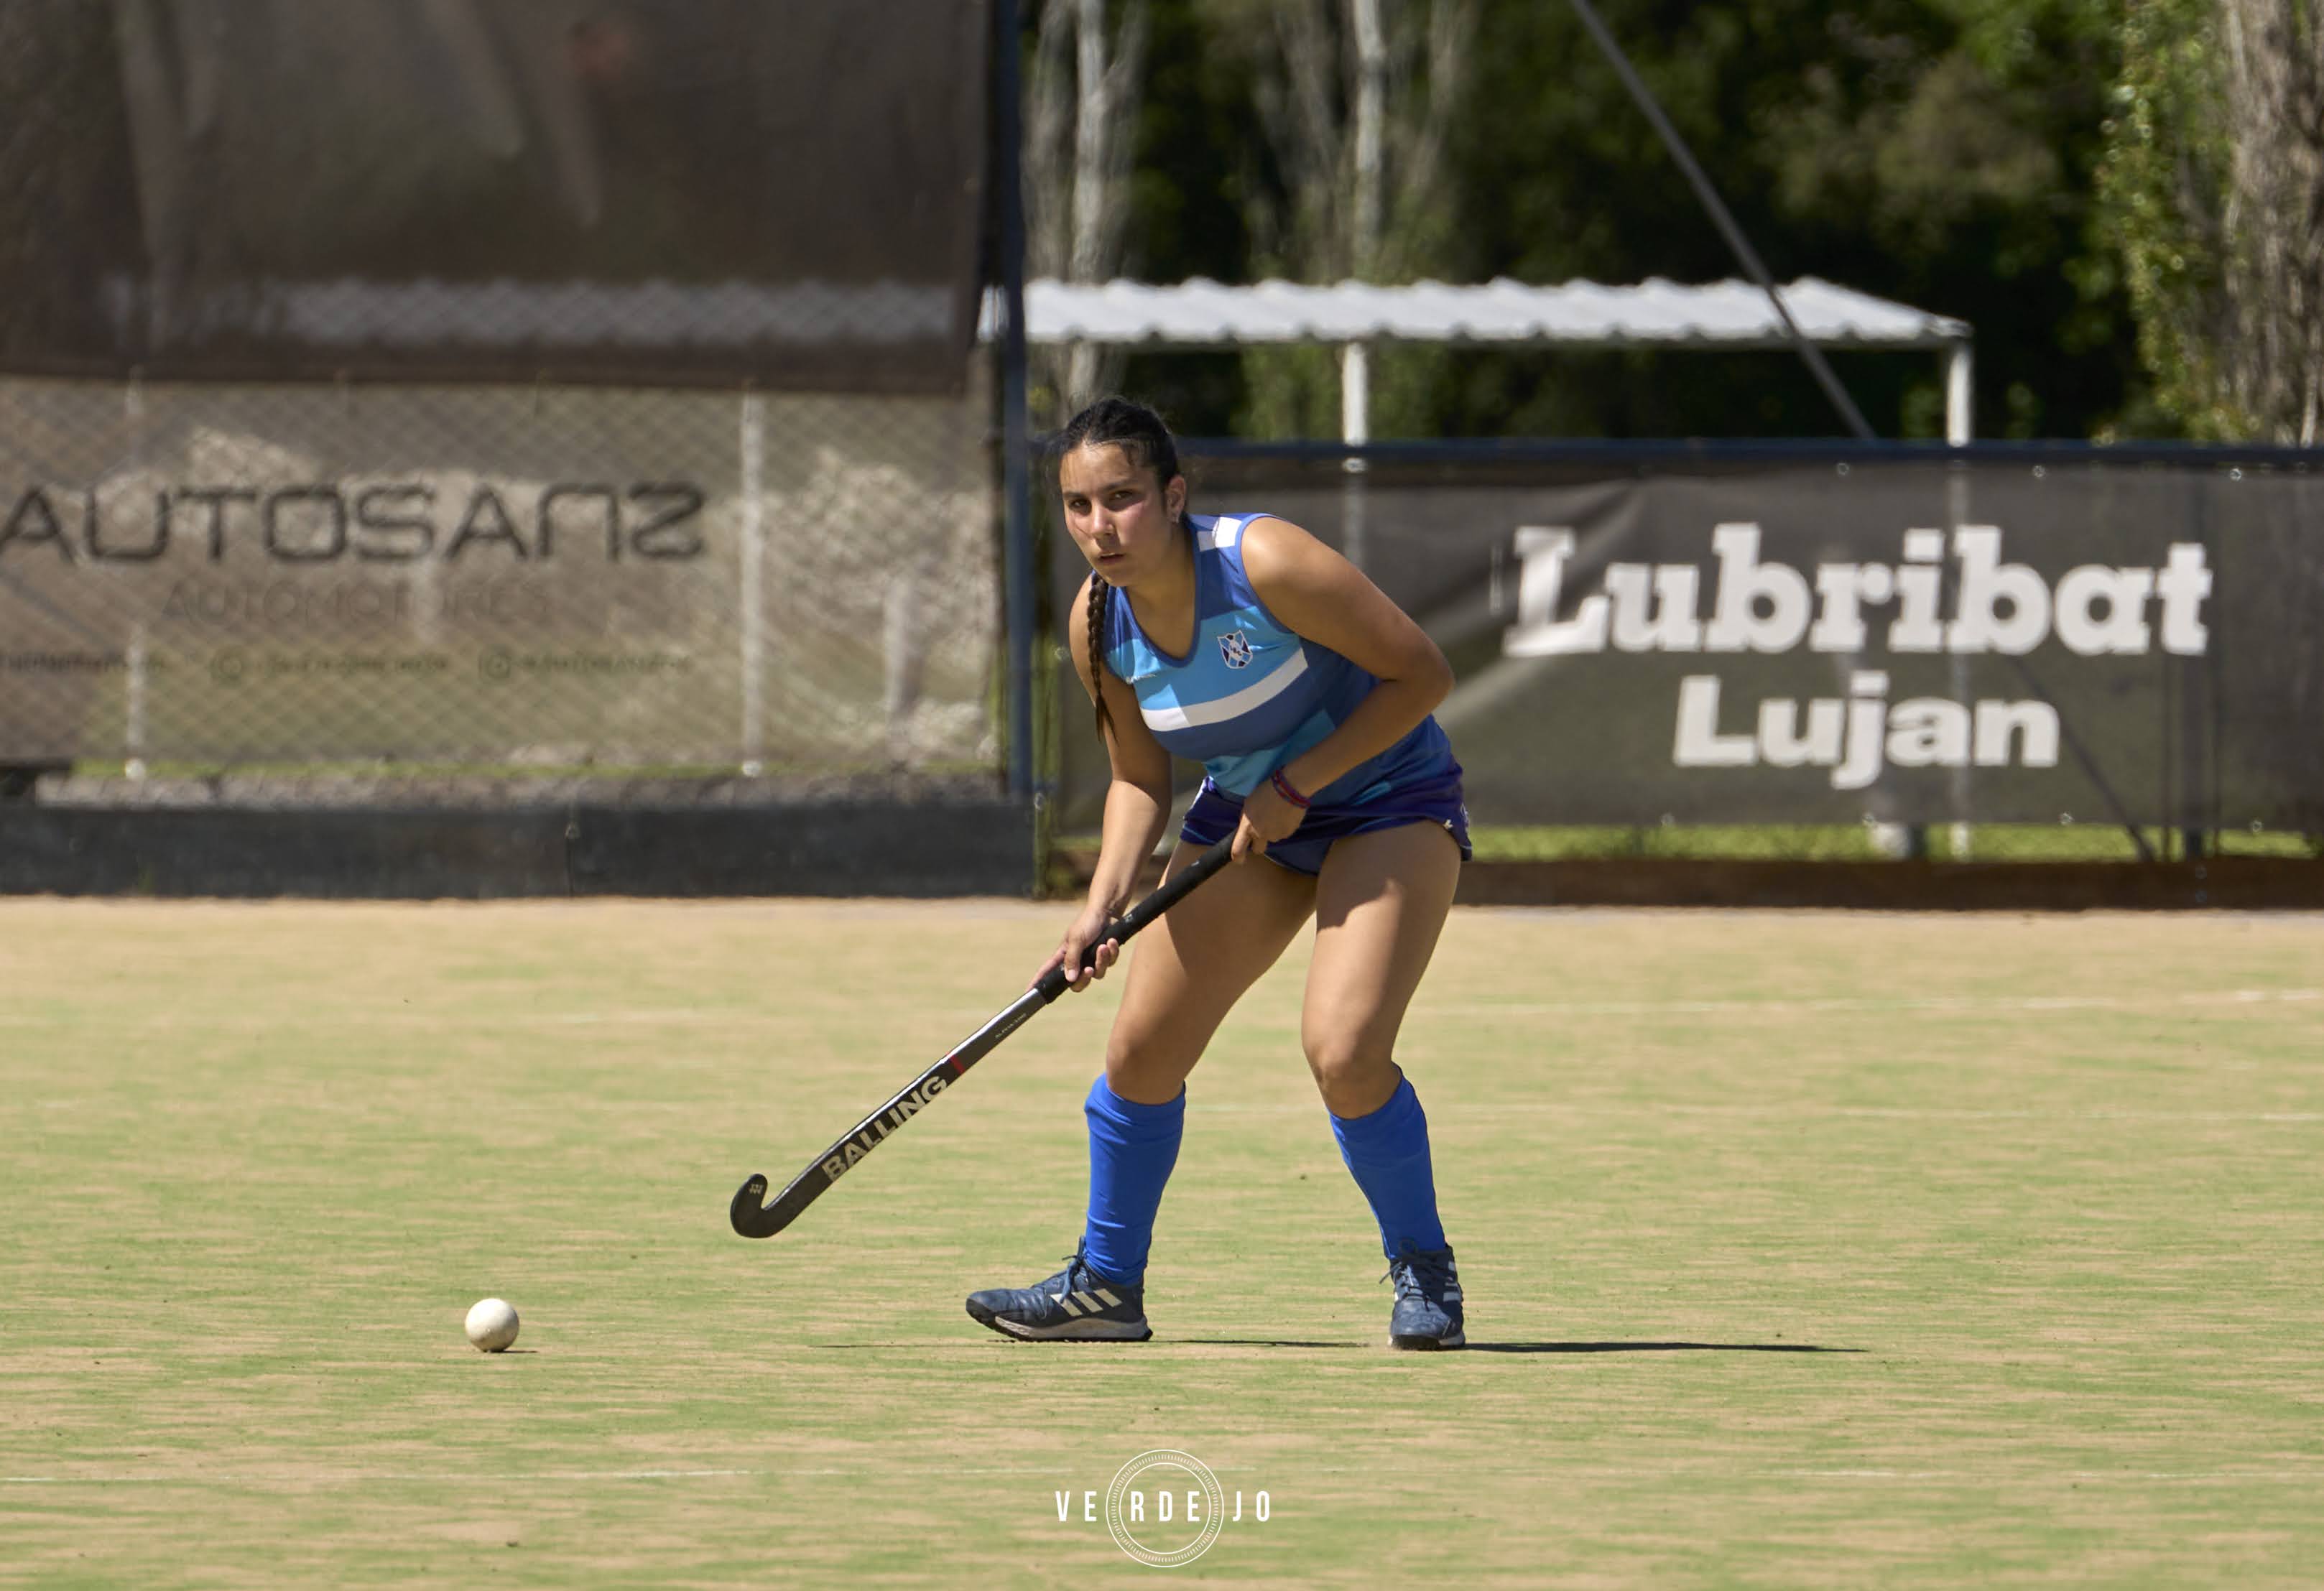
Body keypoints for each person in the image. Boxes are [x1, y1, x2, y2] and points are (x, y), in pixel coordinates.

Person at [965, 396, 1473, 1351]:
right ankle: (1106, 1288)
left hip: (1390, 802)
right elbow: (1136, 779)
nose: (1099, 526)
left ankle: (1424, 1271)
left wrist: (1299, 779)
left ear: (1173, 495)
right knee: (1141, 1053)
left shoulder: (1264, 562)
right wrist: (1099, 908)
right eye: (1078, 505)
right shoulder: (1096, 620)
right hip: (1249, 817)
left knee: (1343, 1049)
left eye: (1121, 498)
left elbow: (1424, 674)